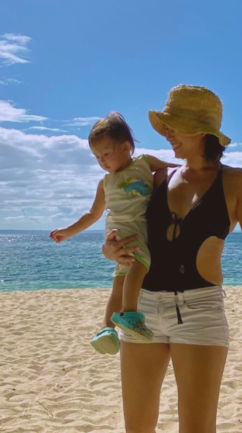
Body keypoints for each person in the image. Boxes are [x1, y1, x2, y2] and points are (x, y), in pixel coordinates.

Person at [102, 84, 242, 433]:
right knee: (137, 429)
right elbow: (123, 229)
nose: (167, 135)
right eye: (166, 127)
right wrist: (108, 248)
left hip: (199, 313)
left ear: (202, 131)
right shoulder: (155, 178)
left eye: (174, 127)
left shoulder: (238, 182)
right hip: (141, 311)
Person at [50, 112, 176, 353]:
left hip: (126, 232)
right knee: (141, 263)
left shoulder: (144, 163)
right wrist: (68, 232)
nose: (102, 162)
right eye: (97, 157)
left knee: (120, 283)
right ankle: (130, 315)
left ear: (126, 147)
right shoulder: (105, 183)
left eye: (106, 154)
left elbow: (175, 170)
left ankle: (106, 328)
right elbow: (92, 214)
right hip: (128, 232)